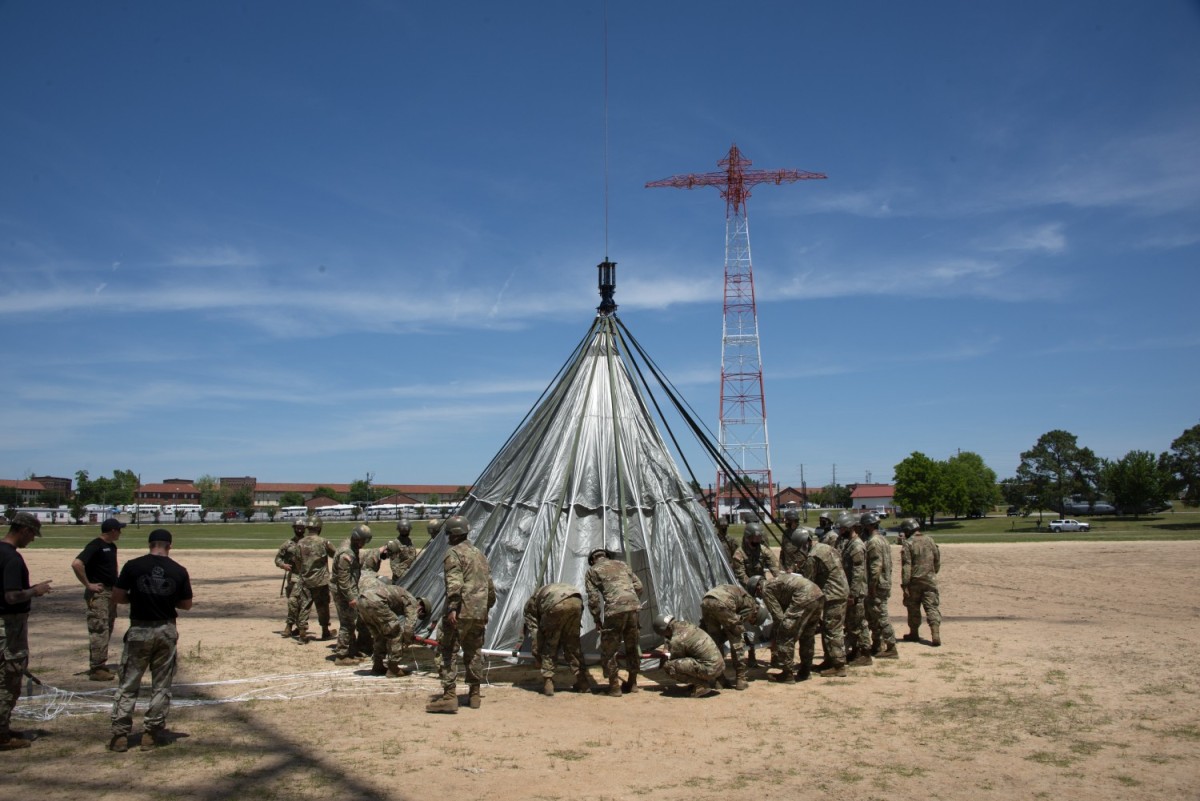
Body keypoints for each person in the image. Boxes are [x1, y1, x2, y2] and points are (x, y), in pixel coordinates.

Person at [107, 528, 193, 753]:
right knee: (161, 684)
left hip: (139, 629)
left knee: (128, 683)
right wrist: (166, 599)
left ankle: (120, 735)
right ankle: (151, 733)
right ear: (169, 546)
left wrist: (136, 598)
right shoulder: (178, 570)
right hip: (166, 629)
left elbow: (116, 596)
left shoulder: (133, 566)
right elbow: (186, 604)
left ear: (149, 544)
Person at [427, 516, 495, 713]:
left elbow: (454, 583)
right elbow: (489, 586)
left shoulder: (453, 554)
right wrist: (485, 608)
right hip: (478, 612)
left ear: (453, 534)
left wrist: (453, 608)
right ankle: (474, 694)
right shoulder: (480, 554)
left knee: (446, 651)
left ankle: (449, 696)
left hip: (460, 612)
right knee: (474, 652)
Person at [0, 513, 53, 751]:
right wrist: (35, 591)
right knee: (9, 679)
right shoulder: (12, 558)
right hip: (9, 626)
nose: (31, 540)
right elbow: (11, 596)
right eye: (32, 535)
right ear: (23, 530)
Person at [353, 559, 429, 677]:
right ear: (421, 607)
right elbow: (408, 627)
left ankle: (377, 665)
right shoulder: (413, 603)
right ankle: (393, 668)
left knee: (380, 635)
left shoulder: (403, 595)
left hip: (362, 601)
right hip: (376, 601)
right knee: (396, 633)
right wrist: (407, 639)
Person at [585, 548, 644, 697]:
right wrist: (630, 600)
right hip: (634, 608)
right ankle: (633, 683)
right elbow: (639, 586)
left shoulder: (593, 571)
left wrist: (597, 619)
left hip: (614, 610)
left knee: (609, 649)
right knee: (632, 645)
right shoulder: (622, 564)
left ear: (592, 560)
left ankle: (614, 687)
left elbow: (593, 598)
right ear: (607, 556)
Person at [71, 517, 124, 680]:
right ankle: (96, 668)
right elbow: (77, 563)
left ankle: (102, 664)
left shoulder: (111, 547)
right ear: (112, 531)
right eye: (119, 530)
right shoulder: (95, 545)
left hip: (110, 593)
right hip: (99, 594)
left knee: (107, 626)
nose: (120, 533)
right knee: (99, 628)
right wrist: (88, 584)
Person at [794, 527, 850, 678]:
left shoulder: (813, 556)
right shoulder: (825, 547)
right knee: (829, 627)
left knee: (832, 629)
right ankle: (830, 660)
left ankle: (838, 665)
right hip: (840, 590)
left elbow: (809, 582)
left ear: (804, 544)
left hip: (833, 595)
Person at [752, 570, 824, 684]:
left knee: (784, 633)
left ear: (757, 588)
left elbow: (778, 617)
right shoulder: (776, 582)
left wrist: (775, 636)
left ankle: (787, 674)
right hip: (818, 594)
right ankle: (805, 671)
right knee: (807, 635)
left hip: (803, 595)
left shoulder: (766, 589)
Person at [523, 582, 590, 696]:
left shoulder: (529, 609)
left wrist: (537, 655)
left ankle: (548, 682)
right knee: (573, 644)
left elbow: (536, 636)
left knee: (550, 644)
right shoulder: (546, 593)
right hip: (576, 600)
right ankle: (583, 682)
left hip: (555, 604)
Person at [698, 582, 759, 690]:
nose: (751, 622)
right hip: (723, 603)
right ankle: (741, 679)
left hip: (706, 601)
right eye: (753, 621)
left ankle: (719, 679)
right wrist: (732, 631)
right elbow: (738, 622)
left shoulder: (737, 591)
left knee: (716, 642)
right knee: (737, 641)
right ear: (756, 613)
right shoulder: (752, 604)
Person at [652, 614, 724, 697]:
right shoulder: (686, 624)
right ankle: (702, 682)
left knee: (669, 666)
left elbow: (676, 658)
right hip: (719, 666)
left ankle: (700, 685)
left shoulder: (677, 639)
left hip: (710, 670)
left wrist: (665, 656)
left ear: (664, 630)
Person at [331, 524, 373, 665]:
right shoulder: (346, 554)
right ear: (356, 538)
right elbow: (343, 580)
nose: (363, 544)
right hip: (343, 591)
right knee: (348, 622)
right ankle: (342, 656)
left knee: (352, 620)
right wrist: (351, 598)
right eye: (362, 541)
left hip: (347, 588)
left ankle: (352, 650)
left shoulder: (350, 546)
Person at [861, 513, 899, 659]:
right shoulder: (883, 539)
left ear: (869, 526)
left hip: (877, 585)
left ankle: (891, 646)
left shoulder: (873, 542)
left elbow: (875, 566)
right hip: (884, 582)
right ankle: (877, 644)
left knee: (881, 615)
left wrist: (871, 586)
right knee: (874, 615)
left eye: (864, 526)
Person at [836, 512, 872, 667]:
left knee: (859, 623)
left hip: (856, 591)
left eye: (843, 528)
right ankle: (856, 651)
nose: (840, 531)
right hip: (851, 589)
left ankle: (865, 654)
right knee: (853, 622)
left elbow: (858, 573)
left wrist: (853, 593)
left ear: (849, 528)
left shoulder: (857, 546)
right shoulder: (849, 543)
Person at [293, 516, 336, 643]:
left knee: (304, 605)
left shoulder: (300, 543)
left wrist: (304, 572)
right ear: (319, 528)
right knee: (322, 606)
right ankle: (325, 631)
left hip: (305, 579)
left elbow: (297, 561)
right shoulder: (323, 542)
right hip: (321, 581)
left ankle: (302, 633)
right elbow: (335, 554)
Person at [900, 518, 942, 646]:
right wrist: (932, 573)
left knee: (913, 608)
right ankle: (935, 633)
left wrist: (905, 584)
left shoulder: (908, 543)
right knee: (931, 607)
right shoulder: (930, 540)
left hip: (914, 581)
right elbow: (937, 559)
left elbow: (907, 566)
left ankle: (914, 633)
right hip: (930, 580)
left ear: (907, 530)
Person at [273, 520, 306, 638]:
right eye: (298, 527)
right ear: (294, 528)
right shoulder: (288, 544)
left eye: (302, 527)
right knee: (293, 601)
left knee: (303, 604)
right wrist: (283, 565)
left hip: (308, 577)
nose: (300, 530)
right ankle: (289, 626)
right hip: (294, 577)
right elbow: (278, 559)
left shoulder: (308, 543)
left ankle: (300, 626)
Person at [731, 522, 780, 592]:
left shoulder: (764, 550)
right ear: (747, 538)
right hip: (745, 587)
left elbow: (774, 568)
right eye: (755, 538)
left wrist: (779, 580)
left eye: (759, 538)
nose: (757, 541)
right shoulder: (739, 554)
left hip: (761, 584)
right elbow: (741, 576)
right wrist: (755, 586)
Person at [386, 519, 418, 584]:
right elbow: (394, 567)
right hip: (400, 581)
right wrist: (407, 574)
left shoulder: (410, 541)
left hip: (412, 578)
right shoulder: (394, 544)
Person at [778, 508, 804, 573]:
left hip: (799, 571)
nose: (785, 522)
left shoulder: (802, 533)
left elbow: (803, 556)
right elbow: (783, 551)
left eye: (787, 520)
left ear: (793, 520)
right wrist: (781, 567)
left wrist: (793, 569)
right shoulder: (786, 532)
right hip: (787, 569)